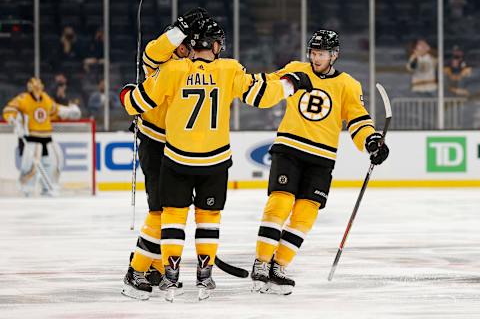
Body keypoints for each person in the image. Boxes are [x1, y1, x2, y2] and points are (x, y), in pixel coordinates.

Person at [120, 17, 313, 301]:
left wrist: (127, 94)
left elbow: (134, 102)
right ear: (214, 44)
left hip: (174, 152)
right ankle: (171, 272)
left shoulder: (172, 68)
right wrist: (289, 84)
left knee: (169, 214)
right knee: (182, 215)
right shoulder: (224, 68)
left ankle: (163, 272)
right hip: (184, 151)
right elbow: (261, 94)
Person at [249, 30, 390, 295]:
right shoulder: (296, 70)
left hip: (321, 158)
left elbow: (358, 118)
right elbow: (268, 85)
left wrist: (371, 140)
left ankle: (278, 266)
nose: (315, 58)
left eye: (321, 54)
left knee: (305, 214)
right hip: (289, 148)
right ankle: (261, 262)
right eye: (313, 53)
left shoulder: (348, 85)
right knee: (280, 202)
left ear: (334, 55)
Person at [120, 7, 210, 301]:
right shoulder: (158, 62)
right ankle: (136, 271)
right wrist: (181, 26)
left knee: (172, 209)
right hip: (153, 143)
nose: (188, 48)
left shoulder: (189, 67)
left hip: (176, 147)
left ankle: (156, 266)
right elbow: (156, 48)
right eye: (183, 42)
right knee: (160, 209)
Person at [2, 77, 81, 196]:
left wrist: (69, 111)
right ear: (30, 88)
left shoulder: (46, 98)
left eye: (39, 86)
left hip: (46, 137)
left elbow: (55, 110)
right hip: (31, 138)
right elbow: (8, 110)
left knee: (52, 163)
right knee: (30, 165)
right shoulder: (23, 99)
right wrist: (14, 120)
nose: (37, 89)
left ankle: (49, 188)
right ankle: (26, 189)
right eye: (35, 87)